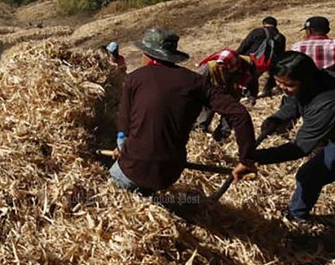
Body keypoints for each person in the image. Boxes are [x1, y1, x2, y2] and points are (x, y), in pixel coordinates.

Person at [110, 28, 257, 195]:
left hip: (133, 166)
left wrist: (121, 148)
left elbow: (124, 128)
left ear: (147, 54)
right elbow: (240, 114)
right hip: (169, 172)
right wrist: (247, 159)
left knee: (112, 184)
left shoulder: (134, 78)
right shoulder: (196, 82)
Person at [252, 51, 335, 221]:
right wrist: (278, 118)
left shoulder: (329, 103)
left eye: (289, 84)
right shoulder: (312, 81)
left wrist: (255, 157)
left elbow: (298, 149)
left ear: (306, 80)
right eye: (278, 82)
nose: (283, 88)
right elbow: (294, 102)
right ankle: (301, 216)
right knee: (313, 176)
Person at [195, 49, 260, 142]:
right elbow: (195, 81)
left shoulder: (247, 64)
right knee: (204, 115)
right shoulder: (210, 67)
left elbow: (253, 82)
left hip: (233, 94)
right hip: (213, 94)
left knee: (229, 118)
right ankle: (200, 135)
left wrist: (252, 96)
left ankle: (220, 139)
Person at [236, 16, 286, 97]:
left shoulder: (258, 32)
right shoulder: (281, 37)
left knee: (249, 77)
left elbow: (245, 45)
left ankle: (248, 95)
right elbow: (281, 53)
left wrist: (236, 54)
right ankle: (267, 90)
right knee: (258, 76)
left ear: (264, 24)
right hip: (270, 63)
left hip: (253, 60)